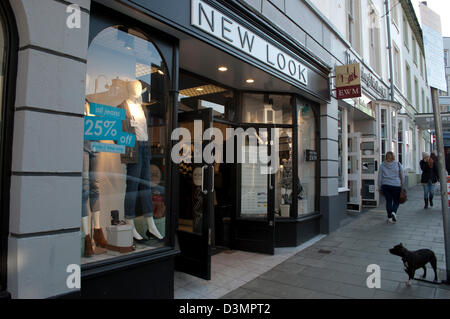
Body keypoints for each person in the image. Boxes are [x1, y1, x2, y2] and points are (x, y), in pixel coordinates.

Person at [378, 151, 405, 224]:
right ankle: (394, 212)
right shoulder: (398, 164)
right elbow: (402, 175)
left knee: (388, 201)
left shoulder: (382, 165)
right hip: (396, 185)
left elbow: (379, 177)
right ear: (393, 157)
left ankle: (389, 217)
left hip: (385, 185)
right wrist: (402, 184)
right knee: (396, 201)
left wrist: (379, 186)